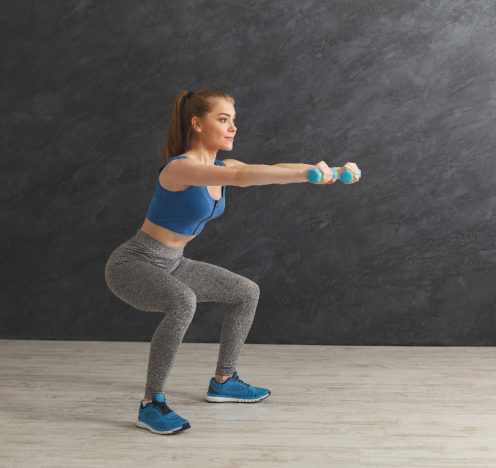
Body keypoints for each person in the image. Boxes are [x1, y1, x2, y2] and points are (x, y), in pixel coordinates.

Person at [104, 88, 361, 435]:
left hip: (174, 262)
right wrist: (306, 175)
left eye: (233, 120)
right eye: (223, 119)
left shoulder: (222, 166)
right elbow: (242, 178)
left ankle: (223, 381)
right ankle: (151, 404)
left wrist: (328, 170)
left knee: (246, 291)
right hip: (134, 264)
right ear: (196, 123)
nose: (233, 127)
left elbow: (270, 169)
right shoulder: (180, 169)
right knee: (183, 302)